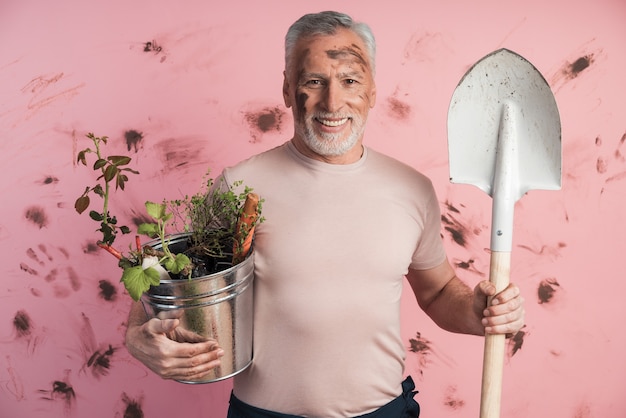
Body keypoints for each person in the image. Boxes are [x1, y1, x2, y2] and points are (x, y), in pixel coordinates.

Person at [124, 11, 525, 418]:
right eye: (314, 81)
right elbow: (181, 284)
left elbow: (438, 293)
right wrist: (137, 337)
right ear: (286, 89)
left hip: (382, 412)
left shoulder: (412, 190)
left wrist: (478, 312)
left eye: (350, 80)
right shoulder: (239, 188)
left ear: (371, 91)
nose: (332, 102)